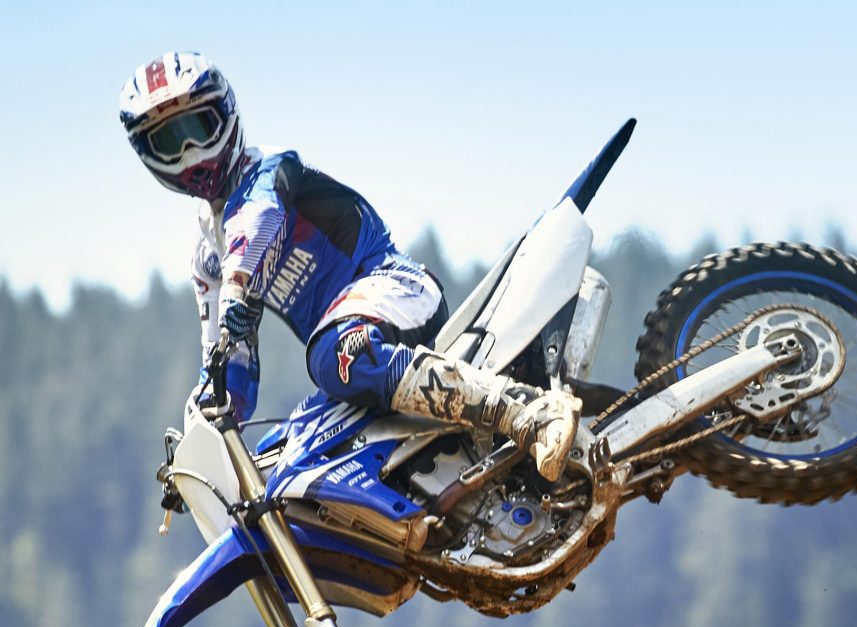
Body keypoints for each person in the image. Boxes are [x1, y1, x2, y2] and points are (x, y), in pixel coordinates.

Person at [119, 51, 581, 481]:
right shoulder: (207, 260)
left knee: (331, 356)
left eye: (197, 128)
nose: (189, 151)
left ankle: (524, 411)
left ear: (225, 115)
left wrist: (238, 285)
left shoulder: (270, 171)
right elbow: (228, 373)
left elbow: (257, 219)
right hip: (346, 348)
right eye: (169, 141)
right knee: (282, 454)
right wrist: (195, 454)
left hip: (397, 289)